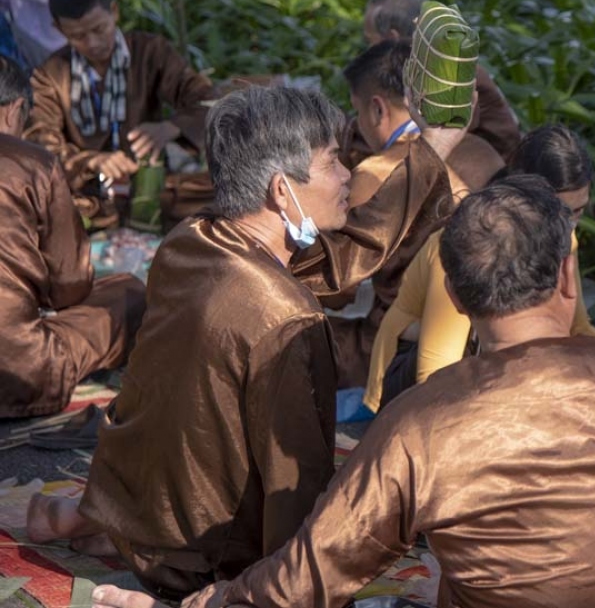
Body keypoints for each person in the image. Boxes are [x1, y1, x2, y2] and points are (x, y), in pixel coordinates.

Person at [90, 175, 595, 608]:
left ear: (458, 301)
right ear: (570, 275)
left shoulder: (425, 420)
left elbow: (311, 578)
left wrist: (215, 601)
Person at [27, 86, 454, 600]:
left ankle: (95, 522)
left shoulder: (193, 237)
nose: (348, 175)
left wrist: (432, 148)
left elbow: (341, 254)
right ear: (280, 190)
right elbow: (295, 481)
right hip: (201, 557)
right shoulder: (285, 318)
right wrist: (287, 582)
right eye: (334, 161)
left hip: (134, 505)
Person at [364, 123, 595, 411]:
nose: (568, 225)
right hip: (413, 369)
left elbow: (577, 326)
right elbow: (435, 372)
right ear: (523, 198)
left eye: (578, 212)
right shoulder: (472, 243)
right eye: (560, 211)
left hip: (490, 357)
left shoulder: (565, 237)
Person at [300, 41, 465, 387]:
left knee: (294, 342)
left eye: (356, 111)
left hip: (402, 340)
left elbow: (337, 283)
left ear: (376, 110)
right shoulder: (476, 149)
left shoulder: (376, 173)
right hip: (468, 331)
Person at [0, 54, 145, 418]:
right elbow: (70, 286)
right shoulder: (33, 162)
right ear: (15, 109)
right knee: (129, 293)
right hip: (20, 373)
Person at [26, 0, 218, 227]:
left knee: (221, 202)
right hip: (87, 195)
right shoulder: (49, 75)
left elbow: (208, 100)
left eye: (98, 29)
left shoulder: (150, 52)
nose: (92, 43)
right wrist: (93, 161)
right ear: (59, 30)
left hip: (150, 185)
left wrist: (171, 128)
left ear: (114, 12)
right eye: (78, 36)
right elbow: (40, 144)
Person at [362, 0, 521, 161]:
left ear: (392, 38)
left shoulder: (445, 69)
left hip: (491, 173)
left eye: (370, 40)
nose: (368, 49)